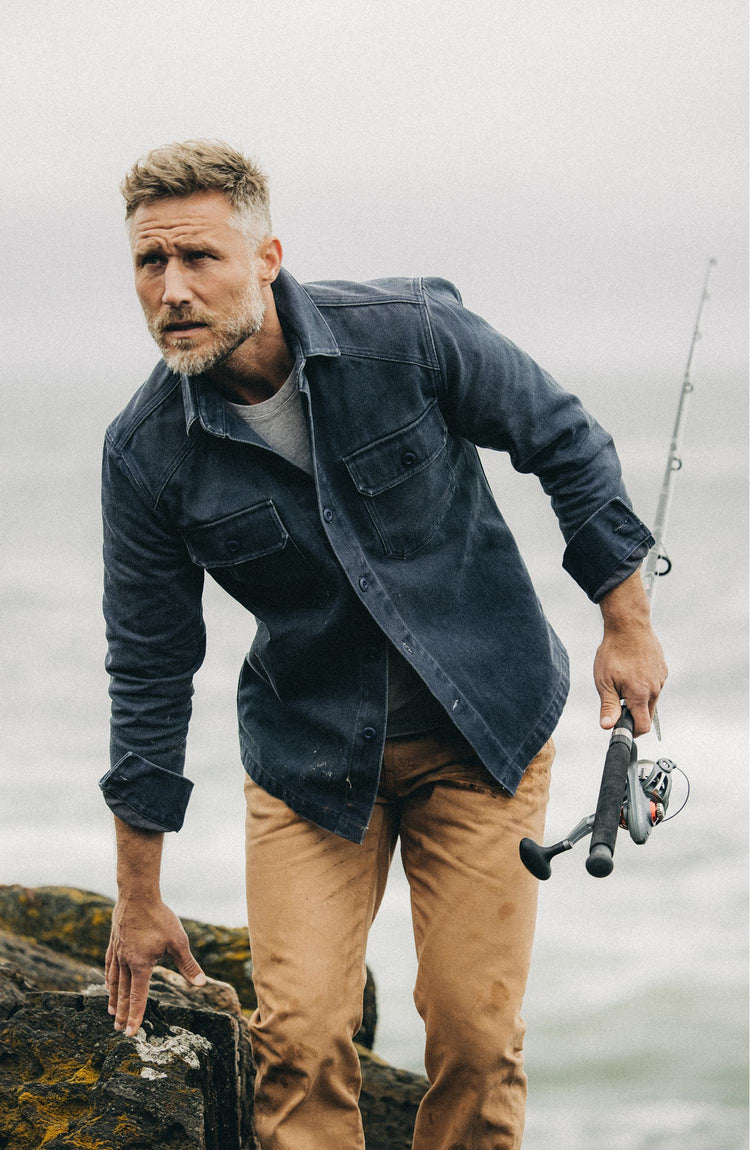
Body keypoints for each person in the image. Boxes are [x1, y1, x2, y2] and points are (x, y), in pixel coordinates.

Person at [101, 139, 666, 1150]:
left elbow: (563, 438)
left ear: (268, 257)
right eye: (152, 263)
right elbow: (150, 665)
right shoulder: (146, 454)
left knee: (474, 1037)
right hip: (311, 761)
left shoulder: (406, 337)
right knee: (301, 1041)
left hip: (483, 730)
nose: (174, 289)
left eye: (200, 258)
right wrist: (138, 893)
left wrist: (626, 624)